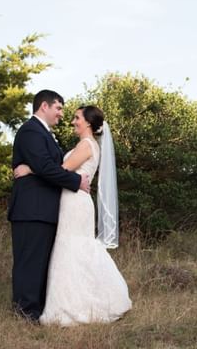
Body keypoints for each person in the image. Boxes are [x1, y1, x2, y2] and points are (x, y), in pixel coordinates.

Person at [14, 105, 132, 325]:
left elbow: (62, 168)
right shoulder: (87, 145)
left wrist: (29, 169)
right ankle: (70, 302)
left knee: (73, 248)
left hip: (75, 202)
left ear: (88, 122)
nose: (73, 121)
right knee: (71, 249)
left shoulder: (87, 145)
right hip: (72, 200)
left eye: (77, 118)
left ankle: (78, 306)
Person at [7, 90, 90, 322]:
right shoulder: (31, 131)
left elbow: (48, 165)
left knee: (40, 262)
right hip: (31, 209)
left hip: (43, 209)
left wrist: (31, 168)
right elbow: (45, 166)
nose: (61, 114)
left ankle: (37, 309)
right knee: (29, 262)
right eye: (59, 108)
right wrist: (77, 182)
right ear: (44, 106)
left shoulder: (46, 134)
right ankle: (25, 314)